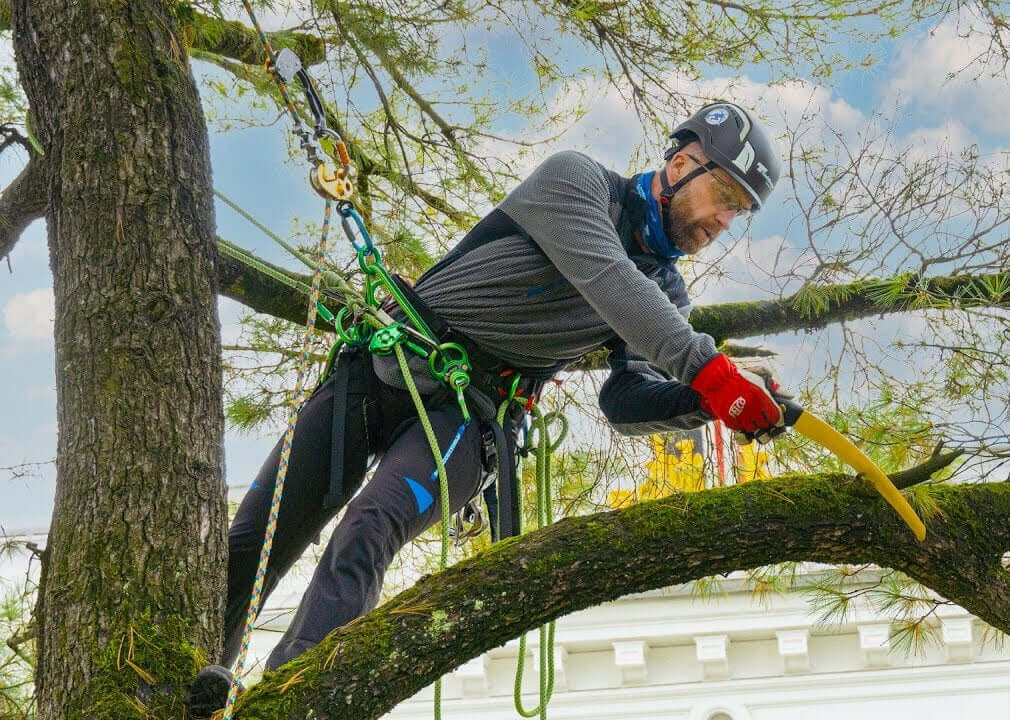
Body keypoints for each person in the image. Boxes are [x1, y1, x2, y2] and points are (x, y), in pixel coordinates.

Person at [185, 101, 787, 715]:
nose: (723, 219)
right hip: (382, 370)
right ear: (682, 163)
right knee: (257, 538)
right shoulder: (575, 182)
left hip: (470, 419)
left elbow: (625, 401)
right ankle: (194, 685)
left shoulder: (665, 296)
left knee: (369, 529)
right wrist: (712, 374)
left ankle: (293, 703)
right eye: (722, 194)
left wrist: (708, 401)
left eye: (738, 211)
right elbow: (606, 276)